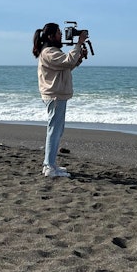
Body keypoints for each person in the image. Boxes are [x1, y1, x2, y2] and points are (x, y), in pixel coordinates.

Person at [32, 22, 88, 178]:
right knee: (54, 131)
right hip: (55, 96)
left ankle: (50, 164)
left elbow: (66, 66)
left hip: (57, 95)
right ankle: (49, 166)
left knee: (57, 131)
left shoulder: (52, 52)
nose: (61, 36)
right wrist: (79, 43)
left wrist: (78, 58)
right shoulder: (49, 52)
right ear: (51, 36)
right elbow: (67, 61)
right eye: (58, 33)